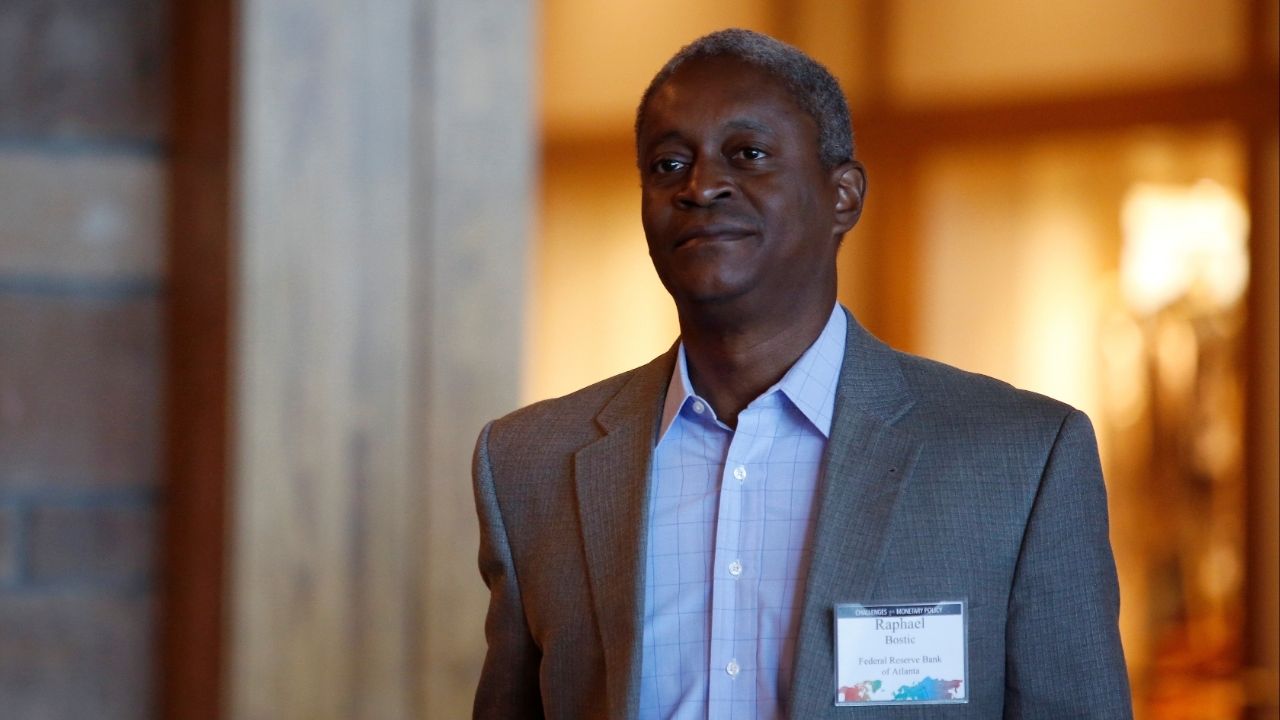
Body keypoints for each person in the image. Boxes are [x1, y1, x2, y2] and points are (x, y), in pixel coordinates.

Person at [472, 28, 1131, 719]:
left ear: (843, 196)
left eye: (747, 154)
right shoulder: (529, 464)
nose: (701, 186)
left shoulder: (1020, 459)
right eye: (668, 164)